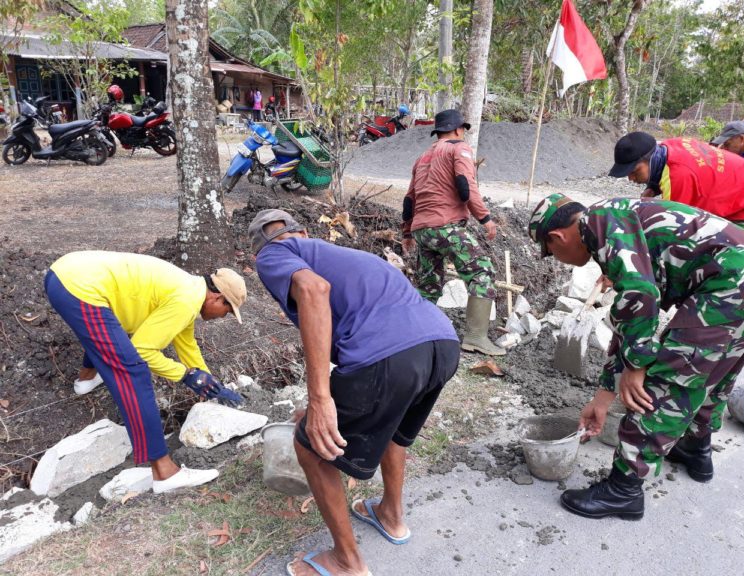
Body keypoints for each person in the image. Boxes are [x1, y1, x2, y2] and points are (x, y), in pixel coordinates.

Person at [528, 194, 744, 520]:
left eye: (551, 251)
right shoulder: (610, 221)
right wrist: (602, 398)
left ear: (557, 237)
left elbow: (642, 297)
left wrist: (637, 366)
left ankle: (623, 489)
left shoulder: (600, 227)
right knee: (714, 371)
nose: (556, 257)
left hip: (732, 283)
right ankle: (695, 449)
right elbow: (630, 320)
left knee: (669, 379)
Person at [249, 209, 459, 576]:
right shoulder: (347, 257)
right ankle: (391, 516)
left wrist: (320, 399)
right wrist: (321, 400)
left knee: (309, 447)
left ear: (257, 254)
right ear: (306, 231)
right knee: (392, 426)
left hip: (390, 355)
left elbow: (315, 291)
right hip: (441, 344)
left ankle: (346, 561)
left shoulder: (274, 254)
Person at [45, 251, 247, 494]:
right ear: (217, 298)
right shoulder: (186, 300)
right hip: (78, 288)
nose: (221, 317)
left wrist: (212, 384)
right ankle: (164, 472)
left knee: (112, 336)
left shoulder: (188, 290)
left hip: (65, 274)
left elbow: (186, 343)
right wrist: (184, 374)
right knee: (133, 371)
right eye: (226, 311)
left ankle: (86, 379)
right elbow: (142, 350)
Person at [402, 108, 504, 356]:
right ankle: (476, 337)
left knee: (428, 285)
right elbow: (465, 184)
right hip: (445, 226)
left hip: (422, 230)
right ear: (459, 129)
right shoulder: (460, 149)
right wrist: (485, 218)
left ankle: (415, 335)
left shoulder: (422, 157)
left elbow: (409, 200)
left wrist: (407, 233)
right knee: (482, 270)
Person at [608, 131, 744, 239]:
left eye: (634, 171)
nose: (630, 178)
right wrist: (653, 187)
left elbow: (668, 234)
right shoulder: (669, 145)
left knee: (743, 258)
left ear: (650, 158)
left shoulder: (679, 181)